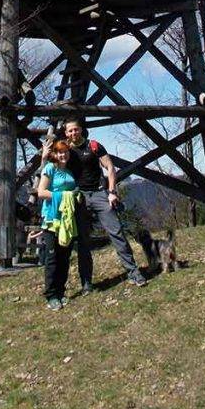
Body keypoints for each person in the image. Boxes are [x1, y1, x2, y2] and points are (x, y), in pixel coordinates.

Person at [43, 116, 146, 292]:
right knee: (83, 242)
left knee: (116, 232)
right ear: (66, 133)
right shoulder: (66, 149)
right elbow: (51, 169)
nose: (73, 133)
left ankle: (133, 272)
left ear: (81, 129)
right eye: (70, 130)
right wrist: (44, 157)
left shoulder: (94, 145)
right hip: (79, 197)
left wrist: (112, 192)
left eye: (76, 129)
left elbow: (110, 168)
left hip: (99, 194)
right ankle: (86, 283)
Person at [37, 139, 79, 310]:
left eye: (65, 152)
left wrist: (74, 194)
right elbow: (41, 192)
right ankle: (51, 295)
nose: (63, 155)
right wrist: (65, 195)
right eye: (60, 152)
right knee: (52, 258)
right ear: (55, 154)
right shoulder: (50, 168)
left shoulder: (69, 171)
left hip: (67, 219)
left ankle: (60, 292)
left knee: (64, 257)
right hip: (52, 219)